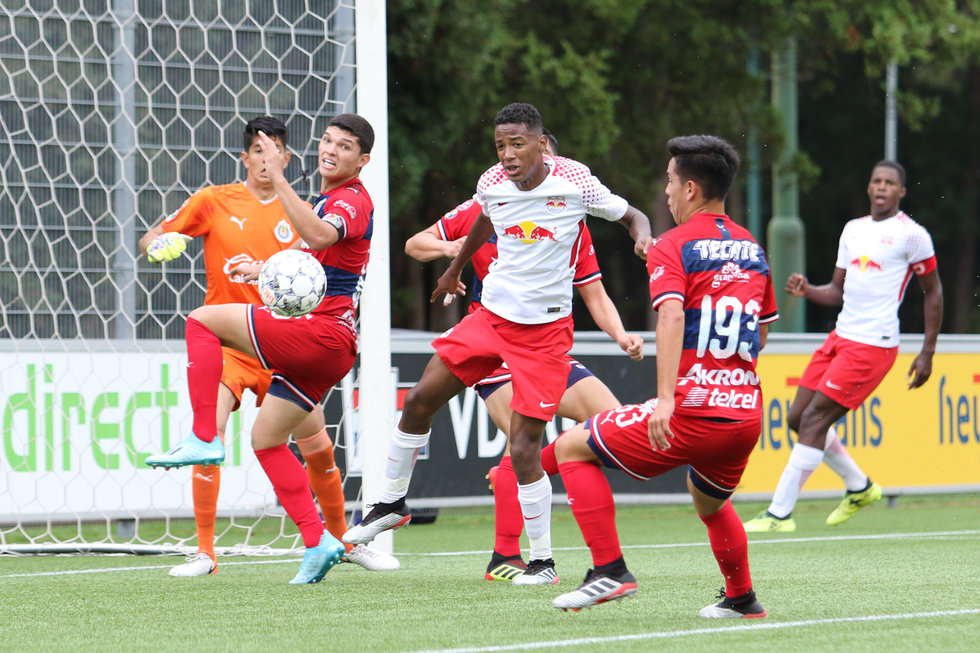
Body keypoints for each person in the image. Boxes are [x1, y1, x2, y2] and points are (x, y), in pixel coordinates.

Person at [343, 102, 652, 586]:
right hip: (491, 318)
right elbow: (484, 218)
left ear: (540, 144)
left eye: (516, 144)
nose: (507, 154)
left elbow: (630, 214)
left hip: (545, 335)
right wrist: (452, 268)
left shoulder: (575, 182)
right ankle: (390, 503)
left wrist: (644, 237)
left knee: (525, 447)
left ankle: (543, 562)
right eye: (500, 145)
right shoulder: (492, 182)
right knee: (421, 398)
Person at [144, 113, 382, 584]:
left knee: (200, 320)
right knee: (267, 440)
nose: (331, 150)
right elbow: (311, 265)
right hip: (321, 344)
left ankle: (203, 439)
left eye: (344, 146)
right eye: (327, 141)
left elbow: (318, 235)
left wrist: (282, 179)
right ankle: (317, 544)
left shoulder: (350, 200)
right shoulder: (316, 198)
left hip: (316, 335)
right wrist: (263, 271)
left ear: (363, 159)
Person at [548, 135, 777, 616]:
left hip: (693, 411)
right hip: (744, 414)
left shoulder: (676, 244)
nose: (667, 192)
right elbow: (761, 331)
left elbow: (671, 316)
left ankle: (609, 571)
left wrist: (667, 400)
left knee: (571, 447)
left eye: (670, 183)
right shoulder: (752, 248)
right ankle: (741, 598)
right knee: (708, 499)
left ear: (691, 188)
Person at [743, 160, 943, 533]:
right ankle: (859, 487)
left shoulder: (912, 235)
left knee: (815, 420)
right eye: (876, 181)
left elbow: (933, 291)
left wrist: (927, 351)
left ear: (901, 192)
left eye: (890, 183)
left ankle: (779, 514)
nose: (882, 187)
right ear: (869, 187)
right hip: (840, 337)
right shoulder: (853, 230)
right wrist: (808, 291)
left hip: (874, 345)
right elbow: (836, 291)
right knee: (796, 418)